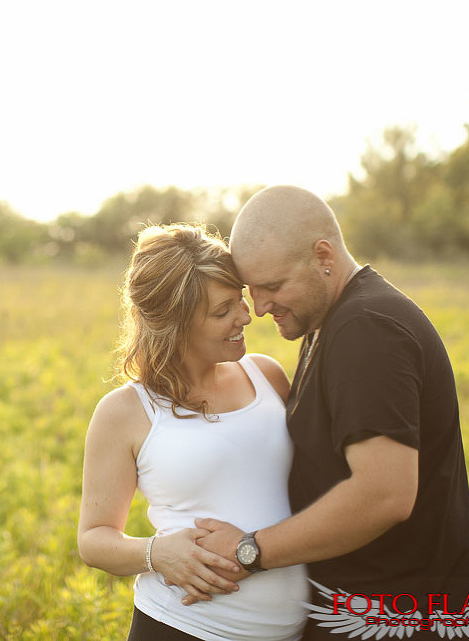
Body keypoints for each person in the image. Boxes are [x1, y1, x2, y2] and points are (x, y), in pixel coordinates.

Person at [192, 185, 469, 639]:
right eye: (253, 289)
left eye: (272, 286)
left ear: (323, 255)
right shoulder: (331, 318)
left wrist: (249, 550)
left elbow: (383, 493)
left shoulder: (366, 329)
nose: (261, 306)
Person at [78, 223, 310, 641]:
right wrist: (156, 553)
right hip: (182, 627)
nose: (246, 316)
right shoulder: (125, 411)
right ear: (173, 323)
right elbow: (94, 539)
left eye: (239, 300)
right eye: (222, 311)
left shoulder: (267, 376)